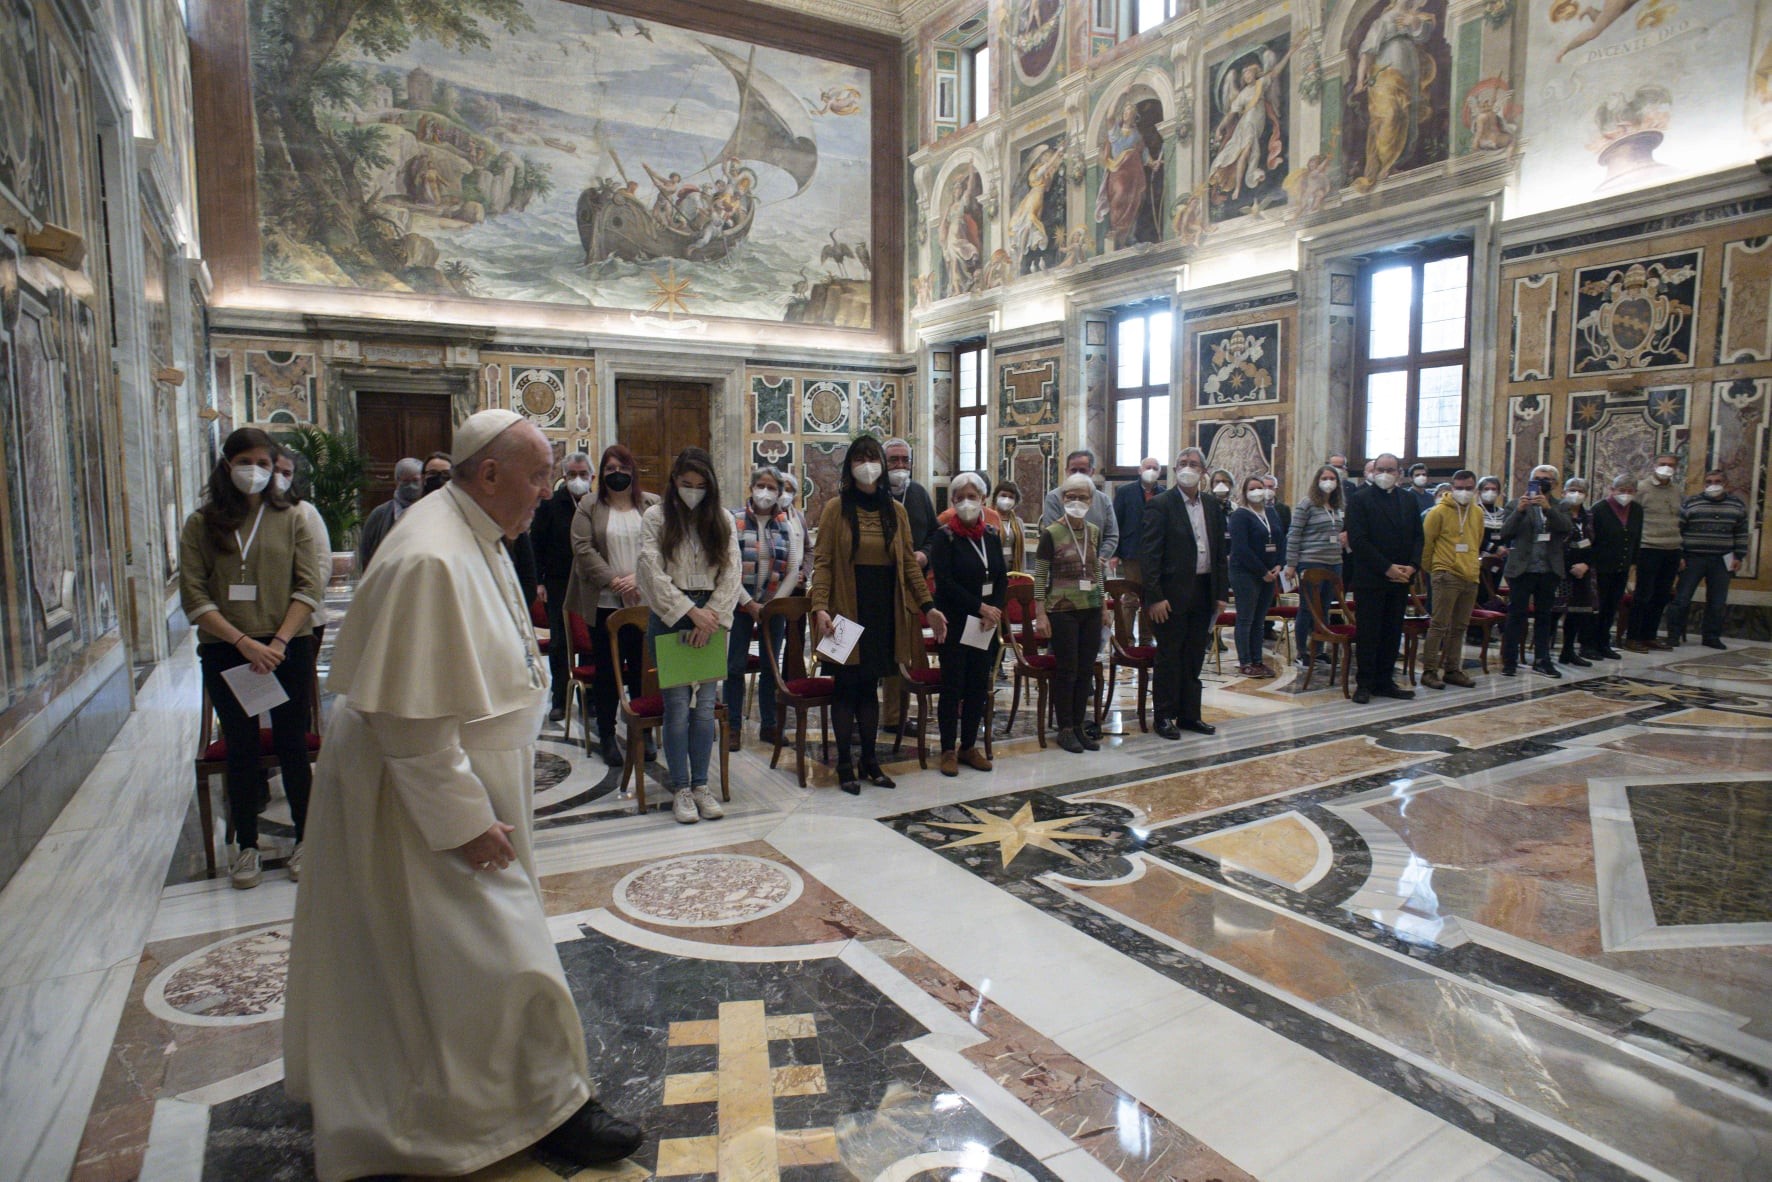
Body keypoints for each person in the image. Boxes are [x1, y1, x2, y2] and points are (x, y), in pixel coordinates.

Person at [285, 411, 644, 1180]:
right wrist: (465, 821)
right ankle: (552, 1110)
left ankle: (502, 1099)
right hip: (426, 797)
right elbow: (403, 717)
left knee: (445, 966)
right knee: (501, 954)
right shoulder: (429, 555)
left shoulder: (473, 532)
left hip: (462, 775)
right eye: (539, 475)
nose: (551, 490)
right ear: (489, 474)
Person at [180, 429, 324, 890]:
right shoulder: (202, 524)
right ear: (227, 465)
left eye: (265, 462)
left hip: (288, 646)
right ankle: (246, 846)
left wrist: (278, 643)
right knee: (241, 747)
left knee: (292, 745)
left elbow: (308, 585)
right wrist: (244, 643)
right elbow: (194, 594)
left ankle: (306, 838)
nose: (257, 471)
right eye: (247, 461)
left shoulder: (293, 517)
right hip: (227, 648)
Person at [810, 437, 946, 795]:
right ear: (849, 465)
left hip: (883, 609)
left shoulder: (895, 512)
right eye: (860, 458)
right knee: (845, 688)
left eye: (872, 457)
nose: (867, 463)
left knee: (870, 687)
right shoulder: (834, 509)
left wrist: (928, 607)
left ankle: (870, 760)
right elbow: (822, 562)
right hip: (844, 608)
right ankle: (843, 763)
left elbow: (908, 566)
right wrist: (820, 606)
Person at [636, 449, 741, 824]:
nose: (692, 492)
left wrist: (710, 615)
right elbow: (650, 570)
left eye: (700, 486)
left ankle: (701, 786)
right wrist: (689, 613)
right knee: (678, 708)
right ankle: (680, 788)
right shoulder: (656, 517)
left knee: (705, 708)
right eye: (686, 485)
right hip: (671, 615)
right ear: (674, 482)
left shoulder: (723, 519)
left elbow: (732, 571)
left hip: (711, 615)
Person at [565, 445, 659, 767]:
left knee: (642, 669)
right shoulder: (589, 505)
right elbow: (582, 548)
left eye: (623, 467)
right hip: (605, 602)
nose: (617, 474)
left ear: (632, 470)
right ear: (601, 475)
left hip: (645, 600)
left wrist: (638, 579)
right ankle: (607, 734)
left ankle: (643, 730)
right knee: (607, 670)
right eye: (610, 469)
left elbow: (661, 547)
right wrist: (615, 581)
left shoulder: (651, 504)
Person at [1142, 448, 1229, 739]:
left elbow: (1219, 553)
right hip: (1170, 594)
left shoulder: (1212, 506)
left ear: (1203, 471)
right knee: (1169, 656)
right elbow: (1150, 556)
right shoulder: (1161, 505)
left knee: (1194, 656)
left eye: (1193, 464)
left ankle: (1190, 715)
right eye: (1182, 464)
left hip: (1203, 591)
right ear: (1175, 469)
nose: (1187, 468)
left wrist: (1221, 593)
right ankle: (1164, 715)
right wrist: (1154, 596)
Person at [928, 474, 1007, 775]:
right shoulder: (945, 536)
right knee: (953, 686)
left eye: (972, 496)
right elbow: (944, 583)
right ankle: (948, 748)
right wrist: (979, 606)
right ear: (952, 502)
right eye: (959, 497)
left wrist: (994, 609)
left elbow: (1000, 576)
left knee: (977, 686)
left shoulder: (990, 534)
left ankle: (968, 746)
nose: (966, 502)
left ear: (983, 500)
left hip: (985, 624)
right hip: (956, 621)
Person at [1034, 474, 1111, 753]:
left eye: (1082, 497)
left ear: (1091, 501)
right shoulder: (1051, 532)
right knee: (1066, 670)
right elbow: (1040, 575)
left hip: (1090, 608)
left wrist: (1104, 605)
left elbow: (1096, 572)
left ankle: (1079, 725)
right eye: (1070, 497)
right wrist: (1040, 614)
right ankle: (1064, 727)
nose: (1076, 501)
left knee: (1085, 670)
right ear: (1062, 499)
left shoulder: (1093, 530)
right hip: (1061, 609)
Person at [726, 466, 802, 750]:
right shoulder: (733, 520)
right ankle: (733, 726)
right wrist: (749, 603)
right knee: (734, 666)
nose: (765, 492)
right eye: (761, 485)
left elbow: (793, 569)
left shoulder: (785, 524)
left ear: (780, 493)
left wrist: (771, 605)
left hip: (773, 606)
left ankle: (769, 725)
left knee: (772, 665)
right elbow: (726, 569)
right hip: (739, 605)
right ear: (751, 487)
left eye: (772, 488)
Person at [1345, 452, 1423, 702]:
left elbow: (1418, 537)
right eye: (1381, 469)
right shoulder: (1360, 499)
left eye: (1391, 470)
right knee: (1369, 632)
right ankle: (1365, 683)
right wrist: (1386, 567)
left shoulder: (1409, 500)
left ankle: (1385, 681)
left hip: (1401, 578)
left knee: (1392, 631)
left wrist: (1412, 566)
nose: (1385, 474)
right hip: (1371, 577)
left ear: (1399, 473)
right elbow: (1358, 540)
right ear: (1373, 471)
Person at [880, 437, 938, 735]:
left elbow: (933, 534)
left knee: (903, 652)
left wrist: (923, 554)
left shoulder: (918, 494)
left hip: (911, 587)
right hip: (877, 585)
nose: (900, 466)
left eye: (905, 460)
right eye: (894, 460)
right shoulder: (871, 492)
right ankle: (860, 714)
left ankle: (896, 716)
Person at [531, 451, 594, 722]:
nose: (577, 479)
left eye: (583, 474)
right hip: (558, 581)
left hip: (592, 582)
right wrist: (539, 582)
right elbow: (536, 544)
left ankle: (590, 698)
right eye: (572, 474)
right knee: (559, 642)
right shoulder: (550, 504)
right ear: (564, 476)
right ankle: (559, 699)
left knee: (592, 640)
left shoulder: (598, 503)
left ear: (592, 477)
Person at [1498, 464, 1573, 677]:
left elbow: (1566, 528)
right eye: (1538, 478)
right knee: (1516, 615)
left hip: (1549, 568)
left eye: (1546, 479)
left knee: (1544, 616)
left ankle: (1542, 659)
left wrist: (1548, 508)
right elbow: (1505, 532)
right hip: (1522, 568)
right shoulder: (1515, 504)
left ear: (1555, 484)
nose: (1542, 482)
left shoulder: (1561, 506)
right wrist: (1520, 511)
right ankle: (1509, 660)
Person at [1665, 469, 1749, 648]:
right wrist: (1679, 555)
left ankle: (1711, 636)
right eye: (1709, 481)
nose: (1713, 485)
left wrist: (1739, 556)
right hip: (1693, 557)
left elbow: (1741, 533)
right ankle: (1673, 634)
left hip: (1722, 559)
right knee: (1682, 599)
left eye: (1717, 481)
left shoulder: (1736, 505)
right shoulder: (1692, 502)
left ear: (1725, 484)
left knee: (1717, 601)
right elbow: (1677, 530)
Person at [1417, 470, 1483, 689]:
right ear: (1452, 487)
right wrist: (1434, 569)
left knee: (1460, 626)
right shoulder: (1438, 512)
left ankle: (1452, 669)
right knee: (1439, 625)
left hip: (1470, 575)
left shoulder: (1477, 513)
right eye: (1459, 488)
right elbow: (1426, 544)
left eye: (1468, 488)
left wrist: (1473, 567)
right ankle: (1429, 670)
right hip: (1445, 573)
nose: (1464, 492)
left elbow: (1477, 541)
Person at [1284, 465, 1348, 667]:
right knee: (1308, 607)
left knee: (1325, 608)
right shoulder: (1307, 504)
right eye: (1325, 477)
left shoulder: (1337, 506)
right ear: (1317, 481)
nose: (1328, 481)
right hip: (1311, 560)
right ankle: (1302, 650)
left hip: (1334, 562)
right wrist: (1291, 564)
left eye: (1332, 478)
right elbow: (1294, 534)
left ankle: (1318, 649)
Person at [1227, 474, 1286, 677]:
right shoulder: (1240, 515)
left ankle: (1258, 660)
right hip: (1245, 573)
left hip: (1270, 572)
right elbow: (1241, 549)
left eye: (1260, 487)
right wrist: (1262, 572)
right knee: (1246, 618)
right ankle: (1246, 662)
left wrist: (1279, 564)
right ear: (1245, 492)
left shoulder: (1271, 512)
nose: (1257, 491)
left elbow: (1280, 539)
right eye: (1252, 488)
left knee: (1260, 620)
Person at [1625, 452, 1683, 652]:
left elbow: (1678, 519)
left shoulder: (1676, 490)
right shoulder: (1642, 488)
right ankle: (1633, 637)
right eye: (1662, 464)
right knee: (1643, 594)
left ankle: (1649, 635)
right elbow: (1632, 518)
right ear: (1654, 466)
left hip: (1672, 548)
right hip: (1648, 547)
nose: (1666, 468)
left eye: (1671, 465)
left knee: (1662, 595)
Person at [275, 449, 333, 646]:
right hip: (263, 618)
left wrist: (302, 602)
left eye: (286, 473)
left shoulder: (305, 511)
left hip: (305, 615)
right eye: (275, 470)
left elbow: (322, 563)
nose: (279, 478)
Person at [1585, 474, 1640, 660]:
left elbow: (1636, 538)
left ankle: (1603, 643)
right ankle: (1589, 644)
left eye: (1630, 491)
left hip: (1621, 566)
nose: (1625, 494)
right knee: (1597, 607)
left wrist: (1633, 564)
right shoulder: (1599, 509)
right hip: (1600, 566)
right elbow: (1590, 539)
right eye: (1621, 491)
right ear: (1612, 490)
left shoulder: (1637, 510)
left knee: (1611, 606)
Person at [1041, 450, 1122, 566]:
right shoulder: (1054, 497)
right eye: (1073, 470)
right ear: (1067, 471)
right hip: (1063, 567)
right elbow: (1051, 532)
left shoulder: (1103, 500)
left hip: (1096, 567)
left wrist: (1100, 559)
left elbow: (1111, 535)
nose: (1077, 474)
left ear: (1092, 471)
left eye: (1082, 470)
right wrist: (1074, 559)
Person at [1555, 477, 1598, 668]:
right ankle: (1544, 653)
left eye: (1581, 491)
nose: (1576, 494)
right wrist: (1569, 565)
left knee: (1578, 612)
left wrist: (1586, 565)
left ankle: (1568, 650)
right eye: (1572, 490)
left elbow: (1596, 544)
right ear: (1563, 492)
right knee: (1555, 611)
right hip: (1561, 569)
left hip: (1583, 569)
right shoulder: (1556, 513)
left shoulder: (1588, 516)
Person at [357, 457, 421, 572]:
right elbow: (366, 552)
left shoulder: (431, 511)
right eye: (406, 481)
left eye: (415, 480)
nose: (411, 485)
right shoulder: (379, 514)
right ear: (397, 481)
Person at [1113, 457, 1164, 591]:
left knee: (1153, 592)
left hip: (1157, 552)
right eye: (1148, 467)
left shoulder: (1165, 494)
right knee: (1132, 593)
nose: (1151, 470)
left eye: (1155, 468)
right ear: (1140, 470)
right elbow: (1116, 522)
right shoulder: (1124, 491)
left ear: (1160, 472)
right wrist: (1115, 553)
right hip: (1131, 550)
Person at [1476, 474, 1510, 610]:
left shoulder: (1502, 512)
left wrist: (1502, 549)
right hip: (1479, 559)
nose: (1490, 492)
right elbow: (1475, 536)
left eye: (1493, 489)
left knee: (1493, 594)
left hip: (1498, 560)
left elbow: (1507, 534)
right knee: (1481, 595)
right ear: (1479, 492)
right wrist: (1493, 548)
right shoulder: (1475, 511)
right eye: (1486, 489)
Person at [780, 470, 816, 597]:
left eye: (789, 490)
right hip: (772, 586)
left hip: (796, 586)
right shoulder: (764, 517)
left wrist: (805, 573)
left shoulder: (799, 518)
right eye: (781, 489)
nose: (784, 494)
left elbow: (809, 549)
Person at [993, 481, 1028, 573]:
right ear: (995, 497)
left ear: (1015, 502)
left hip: (1013, 571)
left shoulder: (1018, 522)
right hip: (994, 570)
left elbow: (1022, 552)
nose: (1006, 499)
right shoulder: (989, 519)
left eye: (1011, 497)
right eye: (1003, 495)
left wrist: (1021, 574)